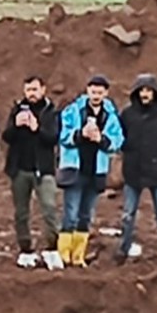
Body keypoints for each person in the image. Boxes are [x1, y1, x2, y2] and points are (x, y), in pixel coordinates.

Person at [56, 74, 123, 267]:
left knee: (86, 216)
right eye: (93, 91)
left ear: (106, 93)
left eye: (100, 92)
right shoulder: (73, 111)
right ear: (87, 91)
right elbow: (62, 135)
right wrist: (80, 134)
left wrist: (101, 140)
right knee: (70, 214)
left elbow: (118, 140)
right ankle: (64, 254)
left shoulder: (110, 116)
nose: (96, 95)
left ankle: (78, 256)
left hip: (96, 171)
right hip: (74, 170)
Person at [117, 74, 157, 265]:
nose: (145, 94)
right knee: (128, 215)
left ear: (155, 93)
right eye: (142, 90)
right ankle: (123, 250)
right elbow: (119, 137)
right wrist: (129, 150)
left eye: (148, 90)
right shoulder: (127, 114)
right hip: (133, 170)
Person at [2, 75, 62, 270]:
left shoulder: (51, 111)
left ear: (43, 90)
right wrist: (16, 125)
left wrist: (37, 128)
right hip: (20, 169)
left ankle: (52, 248)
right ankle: (25, 249)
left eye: (35, 90)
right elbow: (6, 136)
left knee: (49, 208)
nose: (31, 94)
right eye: (28, 90)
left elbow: (53, 138)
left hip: (43, 169)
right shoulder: (17, 109)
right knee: (21, 212)